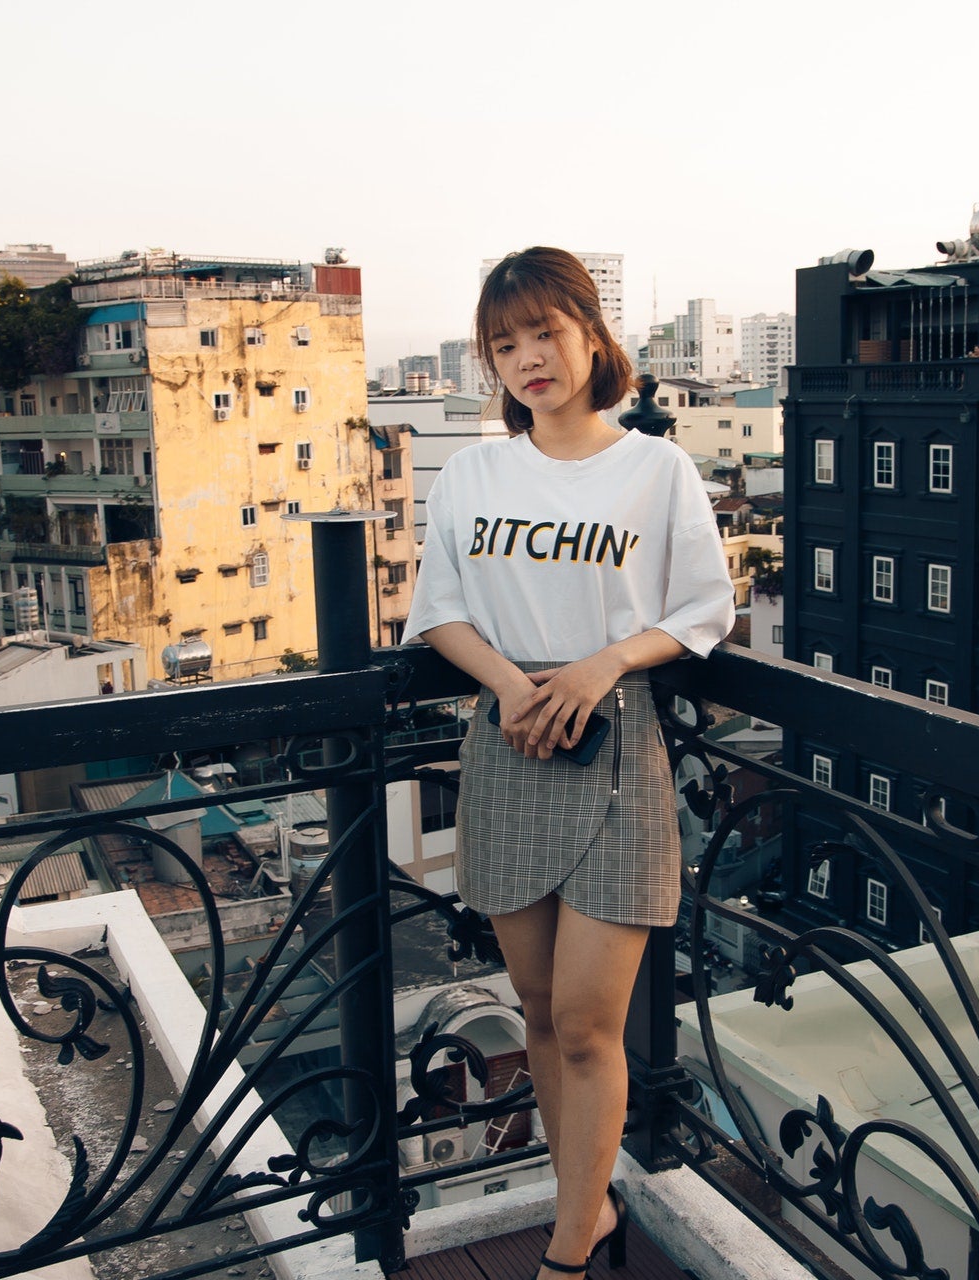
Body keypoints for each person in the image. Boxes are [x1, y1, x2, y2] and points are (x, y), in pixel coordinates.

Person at [402, 247, 734, 1279]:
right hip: (508, 742)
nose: (529, 359)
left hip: (615, 738)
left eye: (545, 332)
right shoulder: (472, 470)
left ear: (592, 334)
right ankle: (581, 1205)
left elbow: (702, 610)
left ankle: (562, 1249)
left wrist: (604, 661)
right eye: (505, 344)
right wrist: (510, 685)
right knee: (538, 1008)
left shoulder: (656, 466)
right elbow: (439, 612)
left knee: (591, 1019)